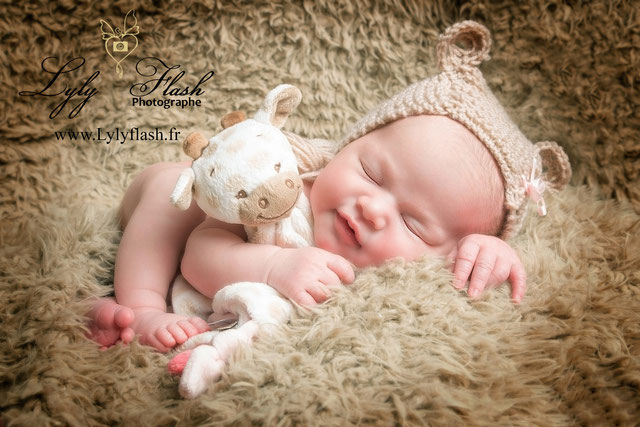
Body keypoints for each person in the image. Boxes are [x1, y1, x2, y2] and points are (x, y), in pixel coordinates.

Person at [87, 21, 571, 352]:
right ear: (348, 146)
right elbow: (198, 252)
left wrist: (491, 250)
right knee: (173, 197)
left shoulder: (425, 265)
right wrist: (276, 265)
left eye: (413, 223)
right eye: (372, 173)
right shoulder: (290, 192)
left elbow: (469, 264)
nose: (372, 208)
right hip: (181, 208)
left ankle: (107, 323)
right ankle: (140, 309)